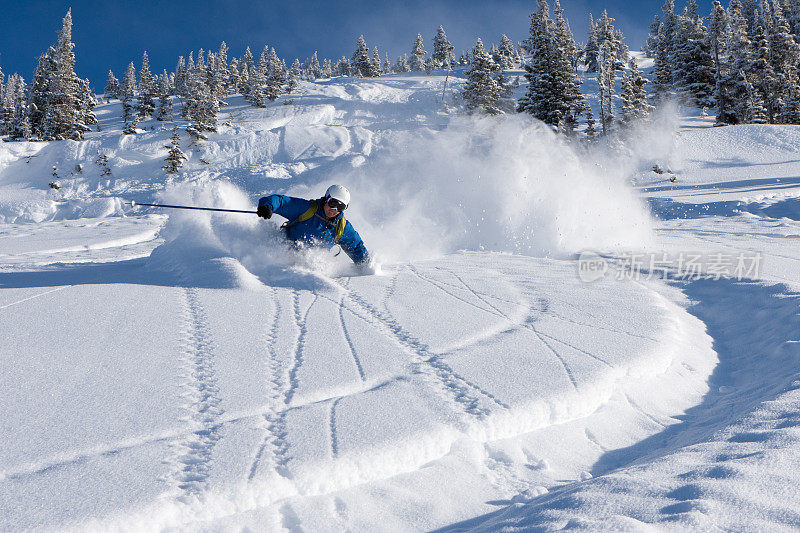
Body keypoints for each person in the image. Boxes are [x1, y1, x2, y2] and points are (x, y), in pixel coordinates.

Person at [257, 184, 370, 266]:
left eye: (340, 207)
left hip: (309, 271)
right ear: (326, 199)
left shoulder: (341, 227)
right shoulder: (307, 209)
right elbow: (281, 201)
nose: (334, 210)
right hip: (280, 258)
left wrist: (367, 266)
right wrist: (267, 206)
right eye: (333, 203)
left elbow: (356, 247)